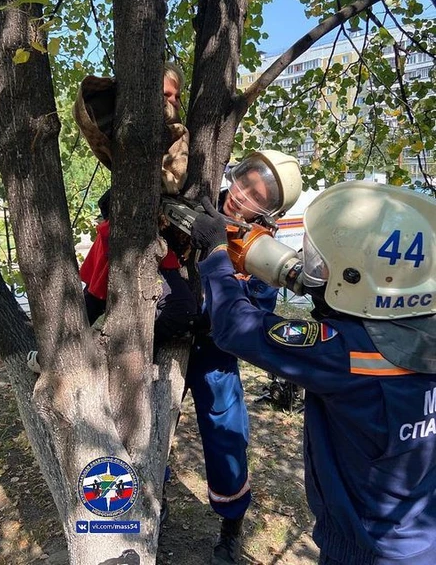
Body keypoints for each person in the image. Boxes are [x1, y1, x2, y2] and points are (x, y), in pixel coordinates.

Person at [190, 180, 436, 565]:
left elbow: (235, 327)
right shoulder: (421, 336)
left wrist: (217, 253)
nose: (313, 267)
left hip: (364, 550)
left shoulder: (343, 351)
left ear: (359, 275)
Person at [78, 148, 302, 564]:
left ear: (271, 211)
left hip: (215, 351)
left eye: (259, 196)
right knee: (146, 421)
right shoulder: (192, 204)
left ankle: (231, 524)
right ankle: (148, 501)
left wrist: (211, 311)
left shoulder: (263, 253)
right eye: (244, 182)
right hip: (161, 339)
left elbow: (254, 321)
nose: (242, 197)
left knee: (226, 430)